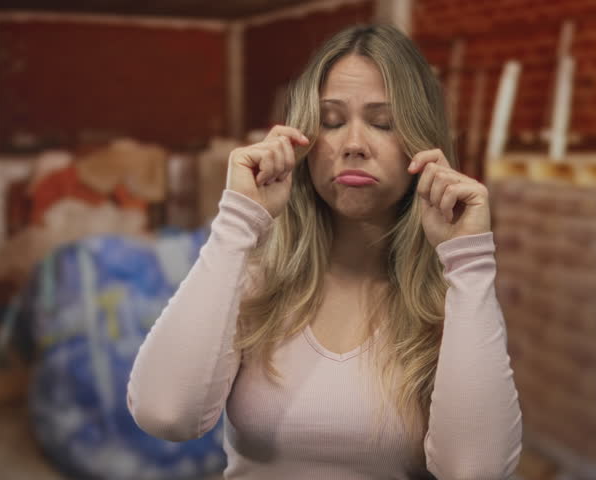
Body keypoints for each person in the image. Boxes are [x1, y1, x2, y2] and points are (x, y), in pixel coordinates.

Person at [127, 24, 522, 479]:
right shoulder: (256, 284)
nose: (353, 145)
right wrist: (236, 222)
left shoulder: (451, 303)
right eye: (331, 122)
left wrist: (469, 260)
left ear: (423, 143)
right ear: (302, 143)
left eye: (382, 123)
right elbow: (164, 414)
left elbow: (476, 470)